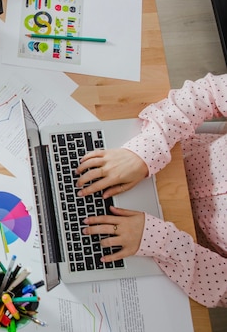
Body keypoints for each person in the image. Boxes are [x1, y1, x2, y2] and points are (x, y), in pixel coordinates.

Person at [76, 73, 227, 307]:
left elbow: (223, 289)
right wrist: (144, 152)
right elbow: (208, 93)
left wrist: (161, 241)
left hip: (176, 252)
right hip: (163, 155)